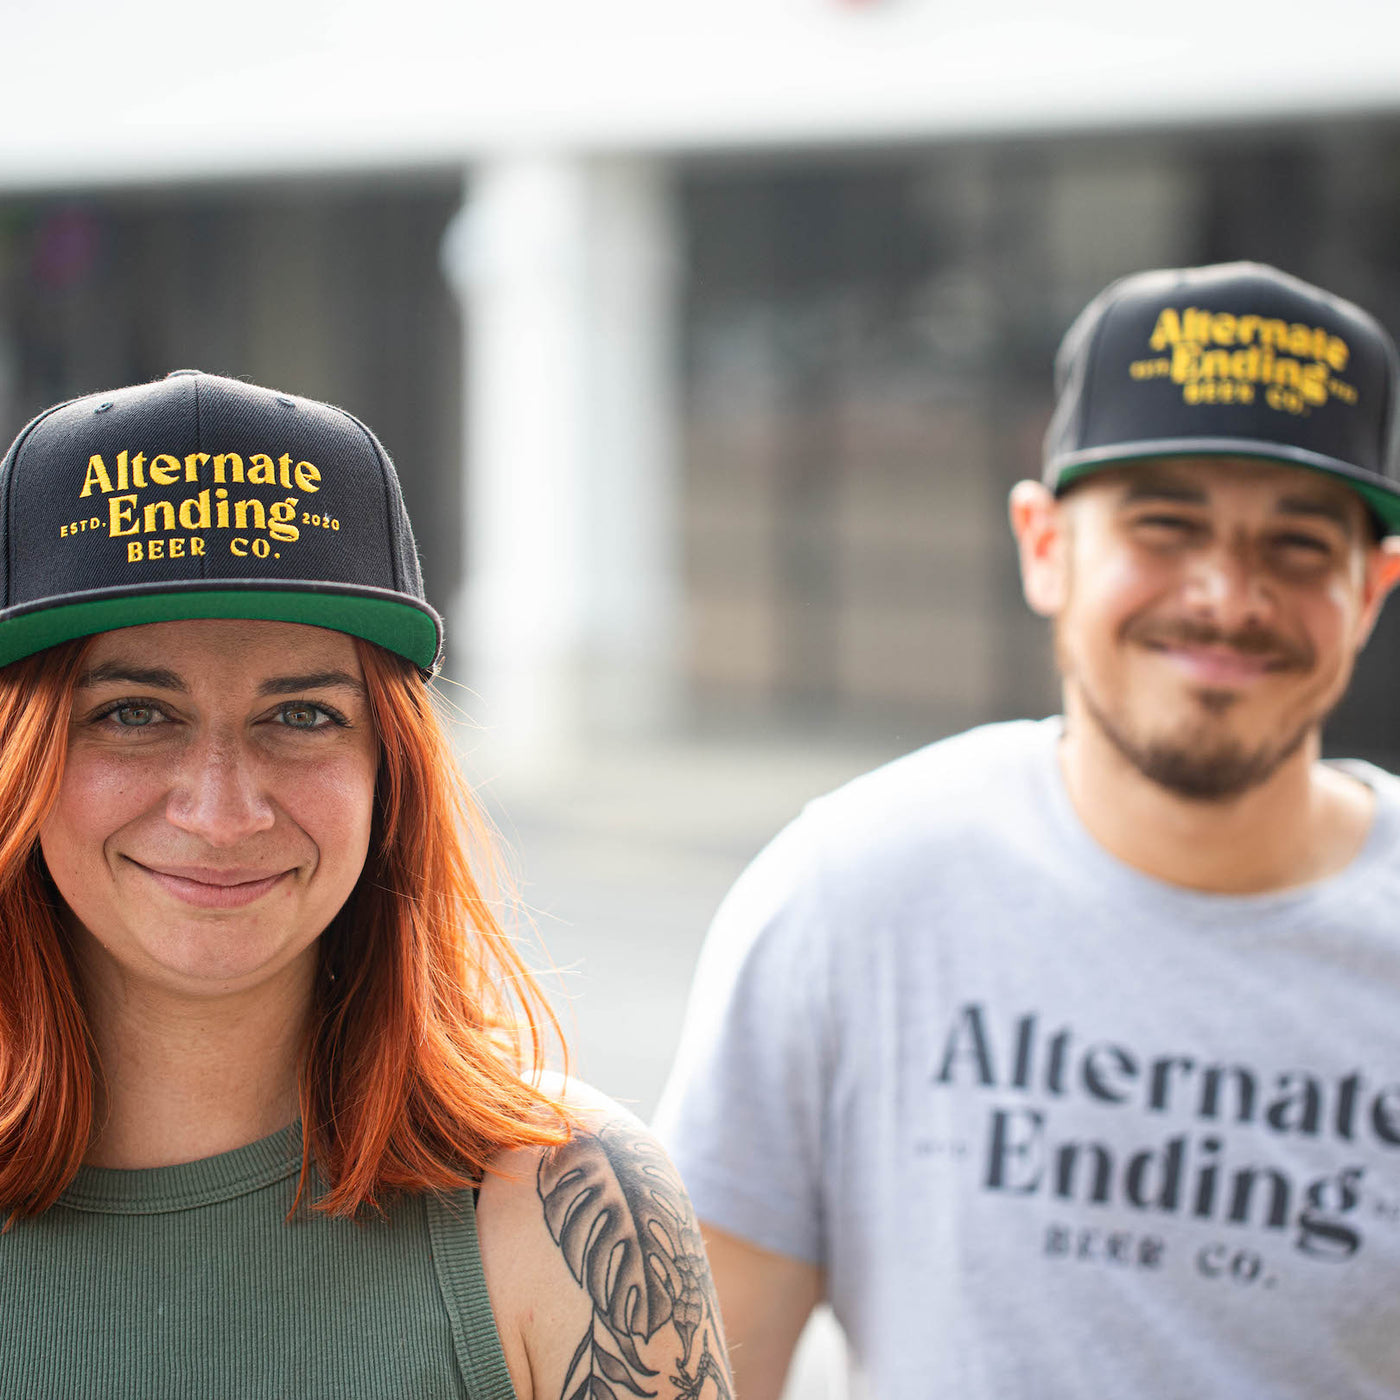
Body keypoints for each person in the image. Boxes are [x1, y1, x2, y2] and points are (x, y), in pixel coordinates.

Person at [654, 262, 1400, 1399]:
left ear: (1371, 586)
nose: (1225, 594)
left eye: (1296, 544)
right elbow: (701, 1366)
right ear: (1043, 544)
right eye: (1164, 525)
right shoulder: (852, 888)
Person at [0, 370, 732, 1400]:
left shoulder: (567, 1202)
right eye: (131, 711)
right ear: (19, 754)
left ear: (392, 772)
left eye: (300, 714)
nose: (222, 809)